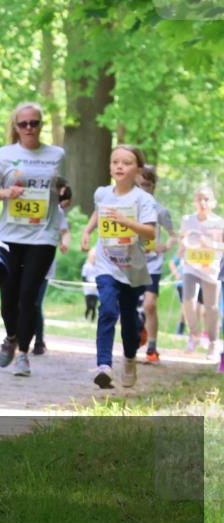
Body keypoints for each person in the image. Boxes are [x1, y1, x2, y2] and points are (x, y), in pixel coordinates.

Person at [0, 102, 66, 377]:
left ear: (42, 125)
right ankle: (11, 338)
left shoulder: (57, 154)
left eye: (35, 123)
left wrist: (66, 193)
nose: (30, 128)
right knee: (9, 295)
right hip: (10, 234)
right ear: (16, 127)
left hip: (44, 234)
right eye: (24, 124)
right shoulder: (5, 154)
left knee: (29, 296)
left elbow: (66, 191)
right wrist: (7, 193)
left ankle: (23, 354)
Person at [79, 145, 157, 389]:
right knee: (108, 309)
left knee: (130, 320)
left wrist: (126, 221)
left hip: (132, 267)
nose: (120, 166)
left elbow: (151, 231)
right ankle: (104, 365)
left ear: (138, 169)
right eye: (115, 162)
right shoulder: (102, 193)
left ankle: (130, 359)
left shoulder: (143, 199)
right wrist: (88, 230)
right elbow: (97, 212)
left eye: (126, 162)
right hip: (106, 264)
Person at [134, 165, 176, 364]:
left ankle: (152, 348)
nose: (145, 189)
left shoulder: (160, 211)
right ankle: (137, 332)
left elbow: (173, 236)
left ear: (154, 187)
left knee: (150, 305)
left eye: (148, 186)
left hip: (153, 264)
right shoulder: (127, 208)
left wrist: (163, 246)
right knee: (128, 306)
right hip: (131, 263)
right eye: (141, 185)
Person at [178, 185, 224, 360]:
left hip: (212, 269)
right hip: (191, 267)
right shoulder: (187, 219)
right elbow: (184, 240)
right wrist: (180, 254)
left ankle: (213, 343)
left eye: (206, 199)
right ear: (194, 202)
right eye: (199, 199)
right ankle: (195, 335)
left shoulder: (219, 222)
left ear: (213, 202)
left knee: (211, 308)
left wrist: (210, 245)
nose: (203, 202)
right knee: (188, 300)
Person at [32, 207, 70, 355]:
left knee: (35, 303)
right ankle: (14, 336)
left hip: (43, 265)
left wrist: (64, 243)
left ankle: (39, 341)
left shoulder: (56, 210)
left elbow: (65, 232)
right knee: (19, 302)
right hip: (21, 261)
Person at [82, 248, 100, 321]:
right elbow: (83, 277)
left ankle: (92, 320)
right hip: (88, 290)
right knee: (89, 305)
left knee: (94, 306)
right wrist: (90, 283)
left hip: (96, 291)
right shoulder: (86, 266)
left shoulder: (98, 267)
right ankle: (86, 318)